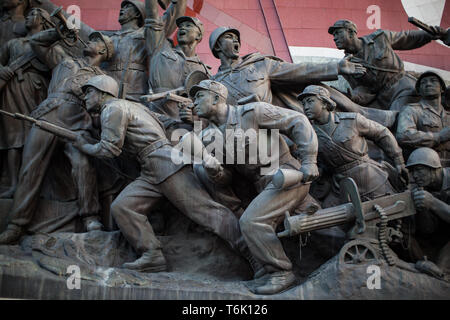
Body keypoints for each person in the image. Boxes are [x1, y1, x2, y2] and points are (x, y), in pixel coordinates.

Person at [73, 75, 259, 275]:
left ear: (103, 92)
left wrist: (83, 144)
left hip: (165, 163)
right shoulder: (132, 106)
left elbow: (109, 149)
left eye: (89, 92)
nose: (85, 98)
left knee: (208, 213)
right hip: (150, 168)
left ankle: (256, 255)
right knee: (123, 207)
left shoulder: (112, 109)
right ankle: (152, 255)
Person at [189, 79, 319, 295]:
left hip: (288, 177)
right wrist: (215, 172)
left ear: (215, 97)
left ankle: (280, 272)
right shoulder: (207, 136)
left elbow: (298, 121)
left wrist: (309, 160)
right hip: (264, 188)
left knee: (252, 222)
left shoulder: (251, 113)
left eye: (199, 96)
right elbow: (226, 179)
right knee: (324, 234)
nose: (193, 103)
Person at [0, 29, 114, 244]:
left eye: (97, 41)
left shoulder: (105, 79)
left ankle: (91, 219)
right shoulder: (65, 60)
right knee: (30, 167)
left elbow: (108, 108)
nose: (90, 42)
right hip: (48, 115)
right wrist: (59, 31)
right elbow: (36, 42)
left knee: (82, 165)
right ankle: (17, 225)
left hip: (79, 123)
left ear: (104, 50)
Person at [298, 85, 407, 207]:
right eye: (303, 104)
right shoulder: (309, 134)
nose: (306, 107)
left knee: (389, 210)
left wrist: (399, 160)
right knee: (328, 219)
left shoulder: (352, 120)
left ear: (324, 103)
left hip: (369, 177)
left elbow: (382, 133)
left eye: (310, 101)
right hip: (341, 185)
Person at [207, 26, 366, 110]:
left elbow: (300, 71)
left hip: (269, 128)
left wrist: (337, 67)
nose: (236, 41)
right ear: (217, 46)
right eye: (229, 37)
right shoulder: (213, 84)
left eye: (237, 38)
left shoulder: (260, 64)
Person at [328, 19, 448, 111]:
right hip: (383, 99)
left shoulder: (380, 38)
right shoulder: (346, 65)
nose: (335, 38)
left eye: (338, 33)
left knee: (398, 116)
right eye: (334, 35)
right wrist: (353, 97)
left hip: (402, 87)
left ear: (350, 32)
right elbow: (363, 90)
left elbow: (407, 38)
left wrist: (433, 34)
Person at [0, 7, 52, 198]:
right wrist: (2, 70)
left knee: (34, 135)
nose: (28, 17)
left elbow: (54, 65)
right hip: (11, 89)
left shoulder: (48, 44)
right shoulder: (13, 43)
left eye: (34, 14)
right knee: (13, 138)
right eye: (28, 14)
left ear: (44, 21)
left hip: (36, 90)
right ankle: (13, 184)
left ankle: (31, 184)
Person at [145, 0, 210, 130]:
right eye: (181, 26)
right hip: (155, 123)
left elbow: (209, 116)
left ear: (199, 35)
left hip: (185, 131)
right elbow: (153, 19)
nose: (182, 28)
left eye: (188, 26)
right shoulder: (160, 50)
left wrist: (194, 120)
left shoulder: (204, 72)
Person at [406, 147, 449, 277]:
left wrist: (433, 203)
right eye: (412, 171)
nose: (414, 176)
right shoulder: (423, 187)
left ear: (434, 168)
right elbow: (427, 230)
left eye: (419, 170)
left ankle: (441, 270)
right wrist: (421, 210)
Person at [396, 71, 450, 167]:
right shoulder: (411, 110)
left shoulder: (448, 116)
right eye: (423, 82)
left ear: (442, 88)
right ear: (419, 90)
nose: (428, 84)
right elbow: (403, 135)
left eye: (433, 81)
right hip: (424, 170)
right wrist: (438, 137)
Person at [104, 0, 148, 101]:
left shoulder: (144, 34)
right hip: (110, 85)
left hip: (134, 86)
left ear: (137, 13)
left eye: (128, 7)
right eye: (122, 7)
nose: (122, 9)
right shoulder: (110, 38)